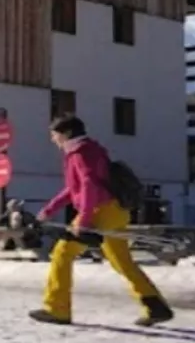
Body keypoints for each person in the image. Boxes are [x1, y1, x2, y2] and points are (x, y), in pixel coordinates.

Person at [30, 116, 173, 327]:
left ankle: (57, 309)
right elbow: (74, 189)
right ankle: (155, 306)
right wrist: (48, 211)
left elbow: (89, 186)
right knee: (121, 261)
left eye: (54, 134)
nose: (53, 139)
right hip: (115, 210)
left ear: (67, 133)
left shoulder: (80, 153)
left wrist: (84, 220)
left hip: (100, 211)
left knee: (62, 253)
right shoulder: (90, 150)